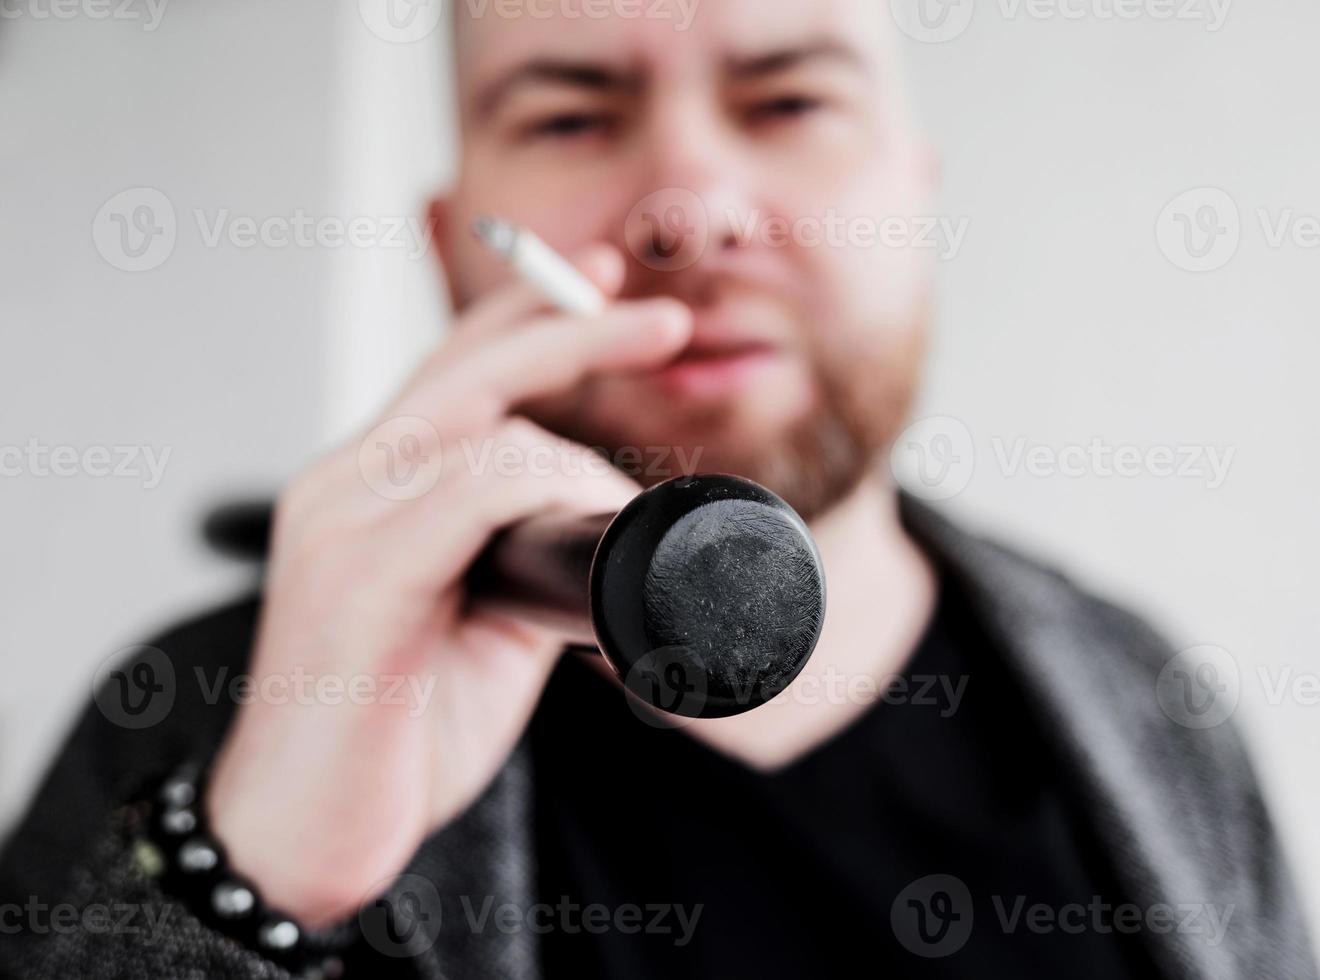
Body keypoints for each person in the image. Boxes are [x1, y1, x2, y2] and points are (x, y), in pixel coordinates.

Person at [1, 1, 1311, 977]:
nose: (687, 205)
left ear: (915, 193)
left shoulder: (1151, 705)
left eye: (788, 101)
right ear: (458, 250)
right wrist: (248, 872)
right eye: (571, 117)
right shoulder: (191, 733)